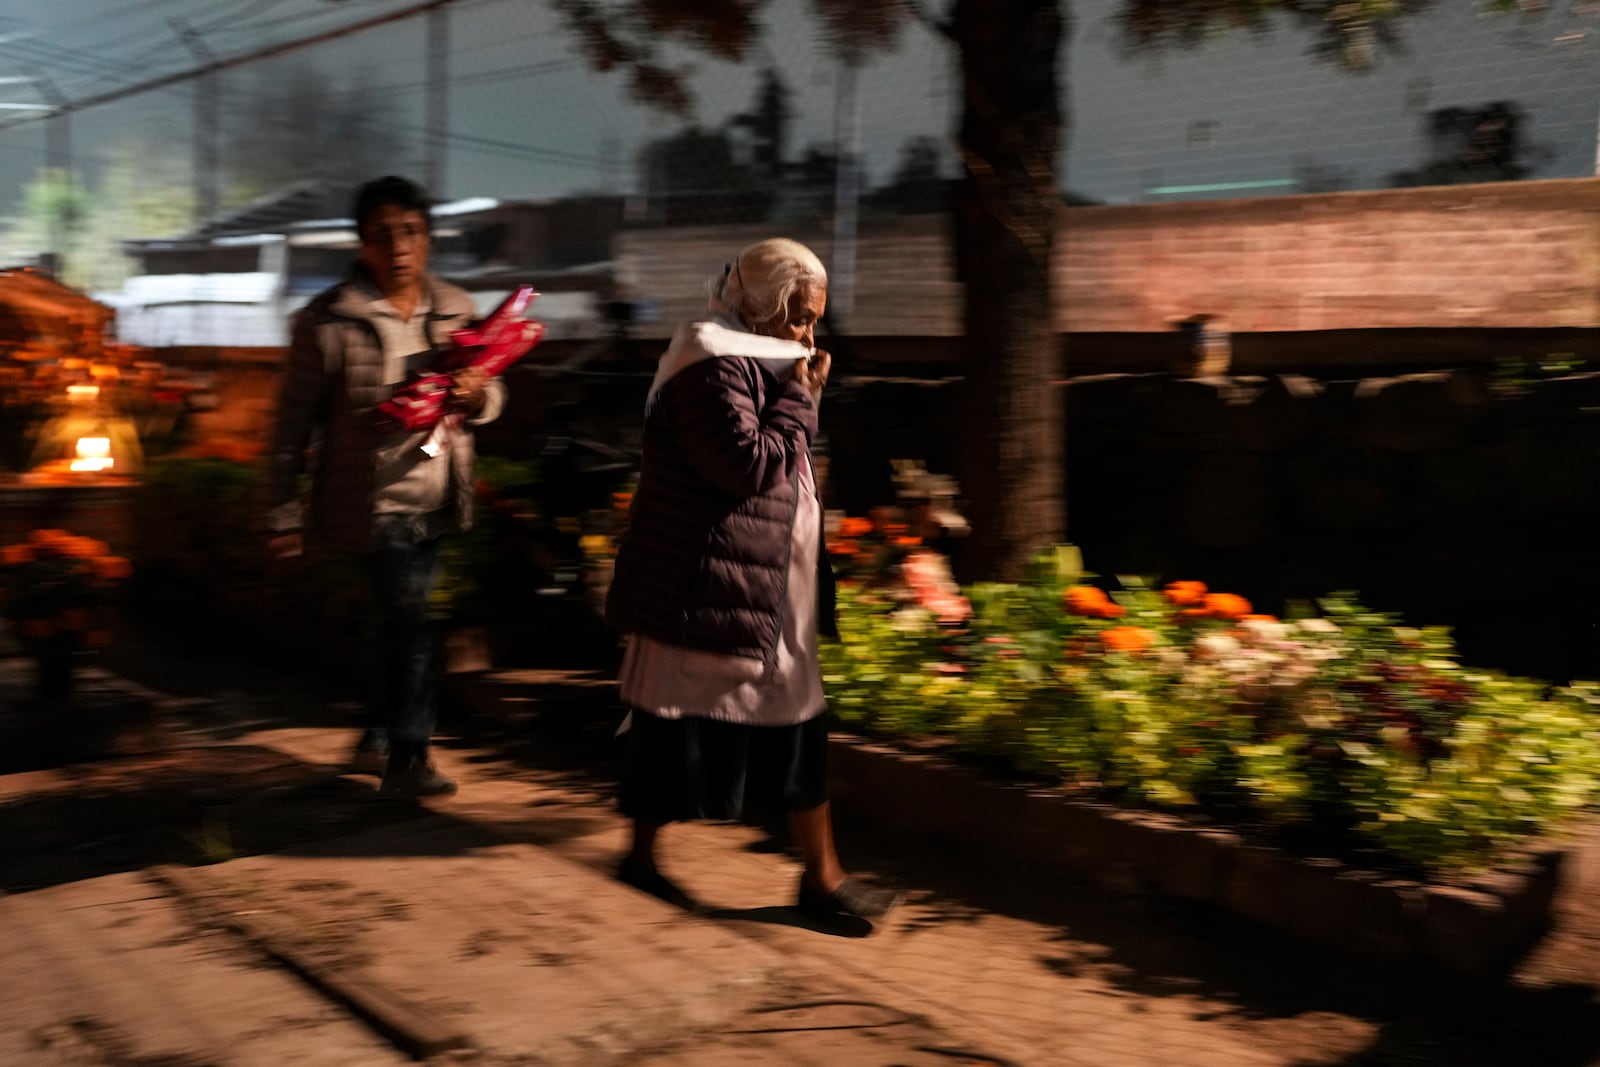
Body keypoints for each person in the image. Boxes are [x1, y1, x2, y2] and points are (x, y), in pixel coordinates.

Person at [605, 237, 899, 922]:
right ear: (761, 307)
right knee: (670, 723)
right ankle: (646, 858)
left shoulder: (760, 360)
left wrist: (796, 389)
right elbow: (745, 465)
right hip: (707, 585)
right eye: (799, 316)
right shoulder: (708, 363)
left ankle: (820, 876)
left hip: (763, 584)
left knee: (791, 721)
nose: (809, 333)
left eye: (815, 318)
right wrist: (800, 397)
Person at [267, 175, 504, 798]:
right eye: (383, 235)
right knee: (415, 624)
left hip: (439, 497)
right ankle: (410, 757)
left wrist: (481, 396)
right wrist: (282, 513)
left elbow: (493, 390)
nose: (399, 246)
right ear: (362, 244)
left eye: (411, 232)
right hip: (371, 506)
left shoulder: (456, 309)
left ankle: (374, 736)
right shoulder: (328, 321)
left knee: (392, 623)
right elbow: (289, 427)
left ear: (427, 238)